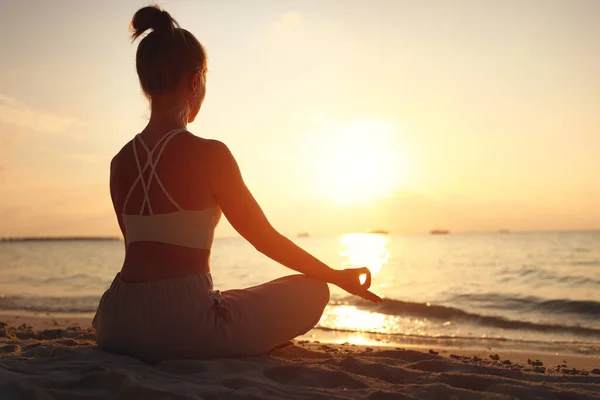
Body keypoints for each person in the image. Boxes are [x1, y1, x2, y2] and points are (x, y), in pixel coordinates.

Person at [93, 5, 382, 362]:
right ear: (194, 81)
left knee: (230, 298)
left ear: (145, 84)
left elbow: (139, 255)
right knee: (314, 291)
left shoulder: (119, 162)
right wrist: (336, 276)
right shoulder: (211, 154)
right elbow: (265, 239)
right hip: (186, 326)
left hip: (116, 324)